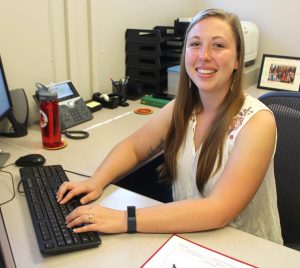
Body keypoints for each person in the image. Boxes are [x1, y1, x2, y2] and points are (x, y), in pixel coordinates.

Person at [56, 8, 283, 244]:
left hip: (245, 248)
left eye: (218, 45)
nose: (204, 55)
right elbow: (134, 147)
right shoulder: (182, 109)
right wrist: (95, 181)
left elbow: (219, 210)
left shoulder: (256, 122)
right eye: (195, 44)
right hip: (186, 238)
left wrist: (124, 219)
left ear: (237, 59)